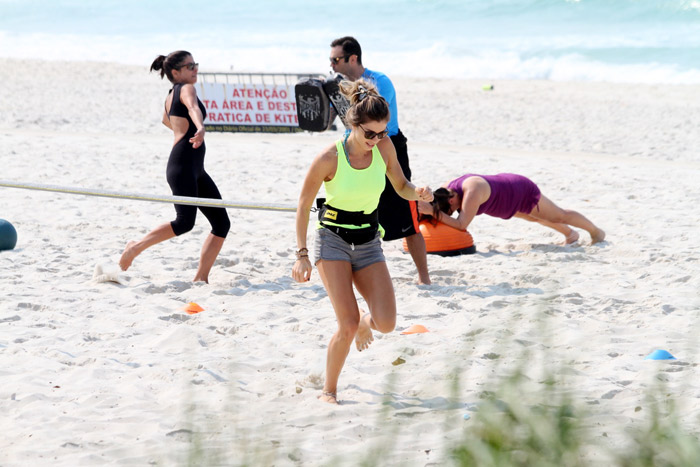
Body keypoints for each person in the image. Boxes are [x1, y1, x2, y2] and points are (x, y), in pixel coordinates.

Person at [292, 79, 433, 404]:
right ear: (352, 125)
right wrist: (301, 254)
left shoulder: (384, 148)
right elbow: (303, 204)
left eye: (382, 132)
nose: (376, 139)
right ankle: (329, 390)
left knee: (386, 322)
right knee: (347, 323)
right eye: (370, 133)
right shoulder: (330, 157)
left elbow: (400, 185)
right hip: (333, 242)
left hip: (369, 241)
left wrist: (418, 193)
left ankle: (364, 325)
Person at [119, 51, 230, 283]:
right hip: (183, 166)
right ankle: (135, 247)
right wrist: (199, 127)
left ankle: (201, 278)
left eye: (195, 64)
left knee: (221, 223)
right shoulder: (186, 88)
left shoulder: (170, 95)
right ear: (176, 72)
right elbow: (192, 108)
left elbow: (165, 120)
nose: (195, 69)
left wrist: (184, 131)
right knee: (184, 222)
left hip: (192, 167)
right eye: (190, 66)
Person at [329, 36, 431, 284]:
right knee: (364, 211)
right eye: (331, 60)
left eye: (336, 59)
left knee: (408, 217)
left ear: (352, 58)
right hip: (355, 146)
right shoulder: (341, 86)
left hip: (388, 143)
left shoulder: (379, 81)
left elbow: (375, 119)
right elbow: (340, 123)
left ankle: (424, 277)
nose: (332, 64)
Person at [418, 173, 606, 245]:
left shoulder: (471, 191)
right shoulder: (445, 191)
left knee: (559, 215)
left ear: (451, 201)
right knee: (535, 218)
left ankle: (596, 232)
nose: (454, 213)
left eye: (450, 212)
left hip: (519, 191)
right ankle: (570, 235)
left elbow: (461, 224)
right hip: (503, 200)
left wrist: (434, 213)